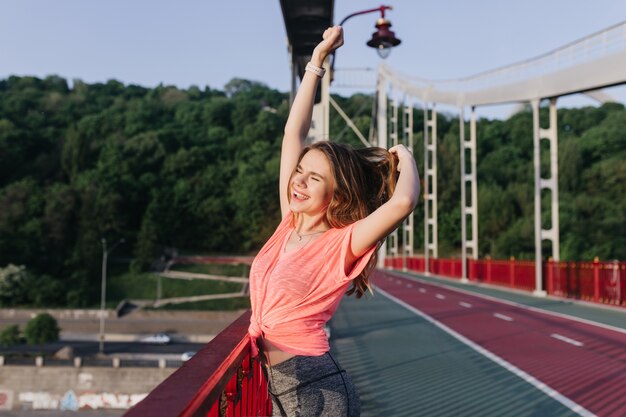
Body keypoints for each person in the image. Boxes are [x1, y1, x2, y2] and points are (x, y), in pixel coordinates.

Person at [248, 26, 420, 417]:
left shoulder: (341, 243)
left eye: (315, 178)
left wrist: (404, 154)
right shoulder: (287, 226)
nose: (299, 181)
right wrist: (318, 59)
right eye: (300, 171)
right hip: (281, 389)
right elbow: (294, 132)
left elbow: (404, 200)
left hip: (318, 389)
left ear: (336, 196)